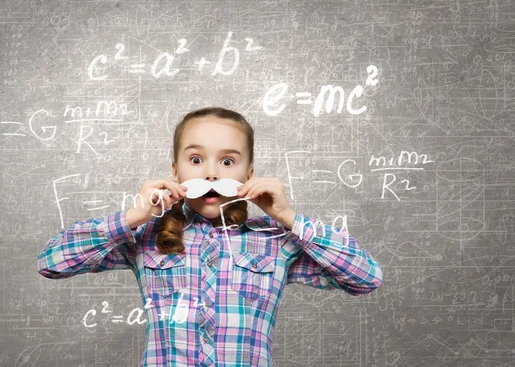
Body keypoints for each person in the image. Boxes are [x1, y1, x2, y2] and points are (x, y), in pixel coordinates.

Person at [38, 106, 383, 366]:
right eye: (197, 159)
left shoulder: (276, 242)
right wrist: (133, 216)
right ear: (175, 171)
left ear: (249, 174)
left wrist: (288, 217)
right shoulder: (146, 236)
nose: (212, 172)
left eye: (228, 162)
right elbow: (51, 262)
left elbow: (366, 278)